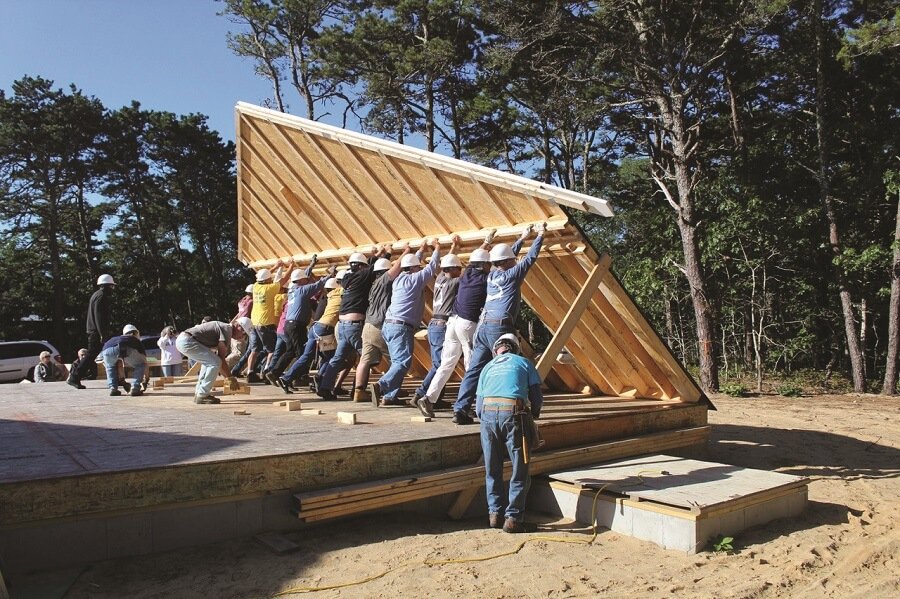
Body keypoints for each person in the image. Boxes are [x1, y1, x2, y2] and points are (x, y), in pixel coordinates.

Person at [453, 223, 546, 424]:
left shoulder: (493, 273)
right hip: (500, 327)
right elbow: (530, 258)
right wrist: (540, 235)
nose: (515, 261)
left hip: (483, 326)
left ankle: (460, 409)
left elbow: (506, 256)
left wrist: (522, 238)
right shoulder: (512, 275)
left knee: (474, 370)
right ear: (509, 262)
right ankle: (518, 406)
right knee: (513, 365)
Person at [416, 233, 495, 417]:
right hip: (467, 324)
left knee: (446, 364)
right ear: (484, 266)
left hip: (452, 322)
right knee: (471, 364)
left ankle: (428, 398)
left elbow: (475, 258)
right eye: (489, 264)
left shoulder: (464, 274)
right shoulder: (483, 280)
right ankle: (467, 405)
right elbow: (502, 272)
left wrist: (486, 243)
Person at [476, 333, 543, 533]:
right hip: (514, 414)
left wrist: (490, 422)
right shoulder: (524, 363)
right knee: (519, 469)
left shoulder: (487, 367)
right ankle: (513, 518)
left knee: (492, 467)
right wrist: (534, 416)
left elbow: (478, 407)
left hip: (487, 416)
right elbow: (537, 398)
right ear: (516, 348)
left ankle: (494, 515)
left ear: (497, 349)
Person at [370, 238, 441, 406]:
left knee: (397, 362)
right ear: (415, 269)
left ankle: (389, 397)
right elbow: (432, 267)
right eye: (418, 266)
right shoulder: (415, 279)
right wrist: (437, 248)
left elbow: (413, 263)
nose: (420, 268)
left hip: (390, 325)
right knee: (403, 362)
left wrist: (421, 250)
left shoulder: (399, 278)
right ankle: (381, 386)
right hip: (400, 327)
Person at [352, 246, 414, 402]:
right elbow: (397, 267)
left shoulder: (373, 284)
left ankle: (359, 391)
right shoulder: (384, 280)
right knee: (398, 361)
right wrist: (406, 252)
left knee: (364, 360)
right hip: (380, 327)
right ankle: (388, 393)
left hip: (367, 327)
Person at [266, 258, 336, 392]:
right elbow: (319, 284)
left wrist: (311, 265)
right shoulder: (303, 290)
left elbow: (304, 277)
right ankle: (296, 378)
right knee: (302, 353)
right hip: (297, 325)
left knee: (291, 351)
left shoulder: (293, 289)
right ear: (301, 281)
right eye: (306, 279)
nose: (308, 280)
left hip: (289, 325)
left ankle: (275, 372)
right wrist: (331, 275)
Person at [412, 236, 462, 410]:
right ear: (455, 269)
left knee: (439, 363)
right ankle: (421, 393)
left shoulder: (440, 278)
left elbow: (447, 263)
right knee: (441, 364)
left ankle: (435, 398)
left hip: (434, 323)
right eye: (459, 269)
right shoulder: (456, 282)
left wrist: (453, 247)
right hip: (442, 324)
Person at [279, 273, 344, 394]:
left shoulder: (328, 296)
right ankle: (320, 379)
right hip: (325, 329)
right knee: (329, 357)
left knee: (306, 356)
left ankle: (286, 378)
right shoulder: (340, 294)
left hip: (315, 329)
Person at [175, 318, 250, 404]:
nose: (242, 338)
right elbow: (221, 360)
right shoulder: (226, 330)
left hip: (185, 340)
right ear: (238, 326)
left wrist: (228, 377)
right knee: (214, 362)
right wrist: (230, 377)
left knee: (209, 363)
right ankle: (202, 395)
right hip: (187, 341)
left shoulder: (225, 329)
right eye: (244, 334)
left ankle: (199, 393)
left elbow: (220, 359)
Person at [68, 273, 116, 389]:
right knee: (90, 355)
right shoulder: (102, 296)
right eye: (111, 286)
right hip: (96, 332)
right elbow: (99, 317)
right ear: (107, 286)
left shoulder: (96, 295)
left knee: (91, 354)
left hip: (93, 330)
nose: (113, 289)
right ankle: (75, 377)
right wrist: (102, 334)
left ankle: (75, 377)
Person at [247, 261, 293, 381]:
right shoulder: (270, 288)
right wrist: (291, 266)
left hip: (255, 322)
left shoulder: (256, 286)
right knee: (272, 350)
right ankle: (266, 373)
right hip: (265, 323)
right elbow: (285, 279)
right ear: (268, 280)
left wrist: (276, 267)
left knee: (255, 349)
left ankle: (250, 372)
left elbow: (264, 276)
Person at [99, 324, 148, 397]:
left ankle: (113, 389)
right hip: (126, 347)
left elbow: (100, 359)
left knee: (110, 367)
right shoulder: (134, 340)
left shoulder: (114, 338)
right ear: (135, 333)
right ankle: (135, 388)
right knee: (140, 365)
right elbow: (144, 361)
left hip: (107, 349)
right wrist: (146, 379)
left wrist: (123, 381)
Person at [229, 284, 255, 377]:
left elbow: (239, 313)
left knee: (241, 352)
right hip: (242, 329)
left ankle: (238, 371)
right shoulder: (251, 302)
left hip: (238, 325)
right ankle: (222, 365)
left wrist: (232, 322)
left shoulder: (242, 301)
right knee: (238, 353)